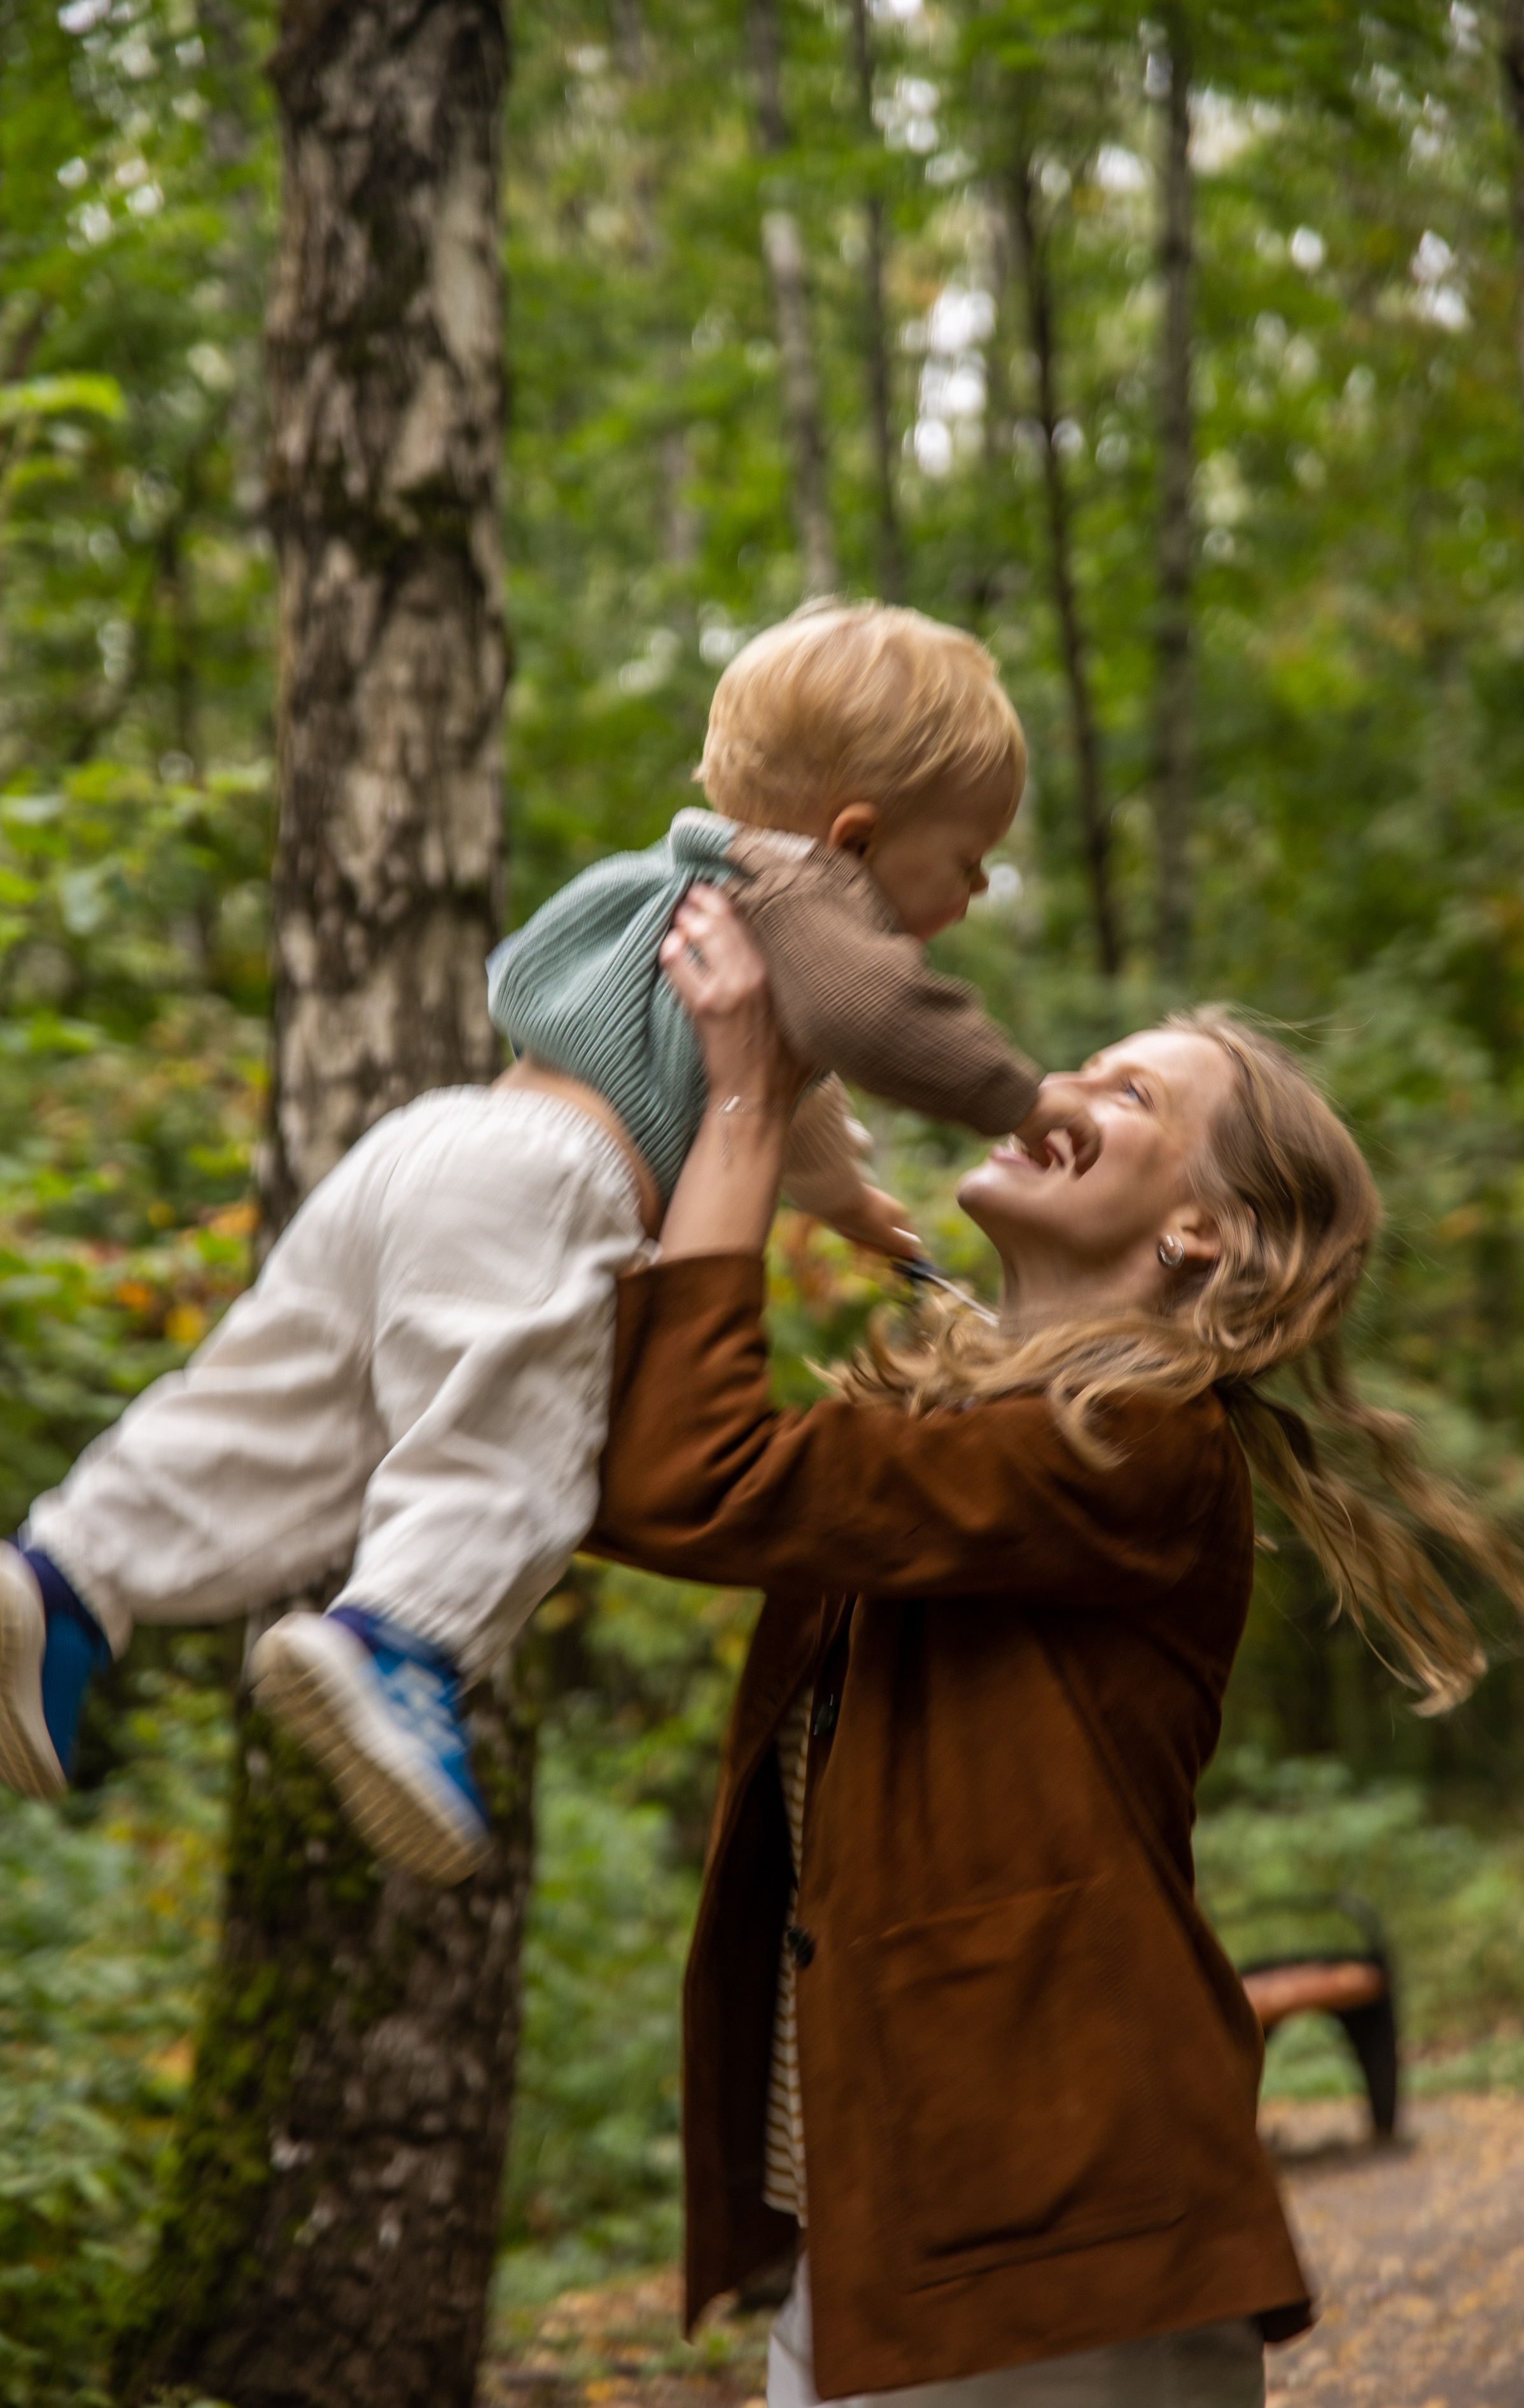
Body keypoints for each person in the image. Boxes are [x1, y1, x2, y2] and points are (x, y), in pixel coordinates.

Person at [589, 885, 1524, 2408]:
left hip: (1059, 2243)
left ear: (1201, 1232)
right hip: (890, 2234)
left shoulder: (1134, 1449)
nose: (1057, 1089)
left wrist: (738, 1103)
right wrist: (757, 1142)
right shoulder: (991, 1441)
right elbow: (640, 1454)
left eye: (1126, 1093)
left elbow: (688, 1476)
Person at [0, 602, 1096, 1887]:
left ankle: (63, 1585)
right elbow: (873, 1017)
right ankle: (401, 1641)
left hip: (431, 1147)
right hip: (548, 1185)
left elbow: (784, 1092)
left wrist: (846, 1204)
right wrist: (1026, 1098)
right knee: (510, 1454)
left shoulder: (690, 898)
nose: (969, 894)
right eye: (966, 861)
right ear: (853, 838)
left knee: (274, 1420)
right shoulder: (804, 896)